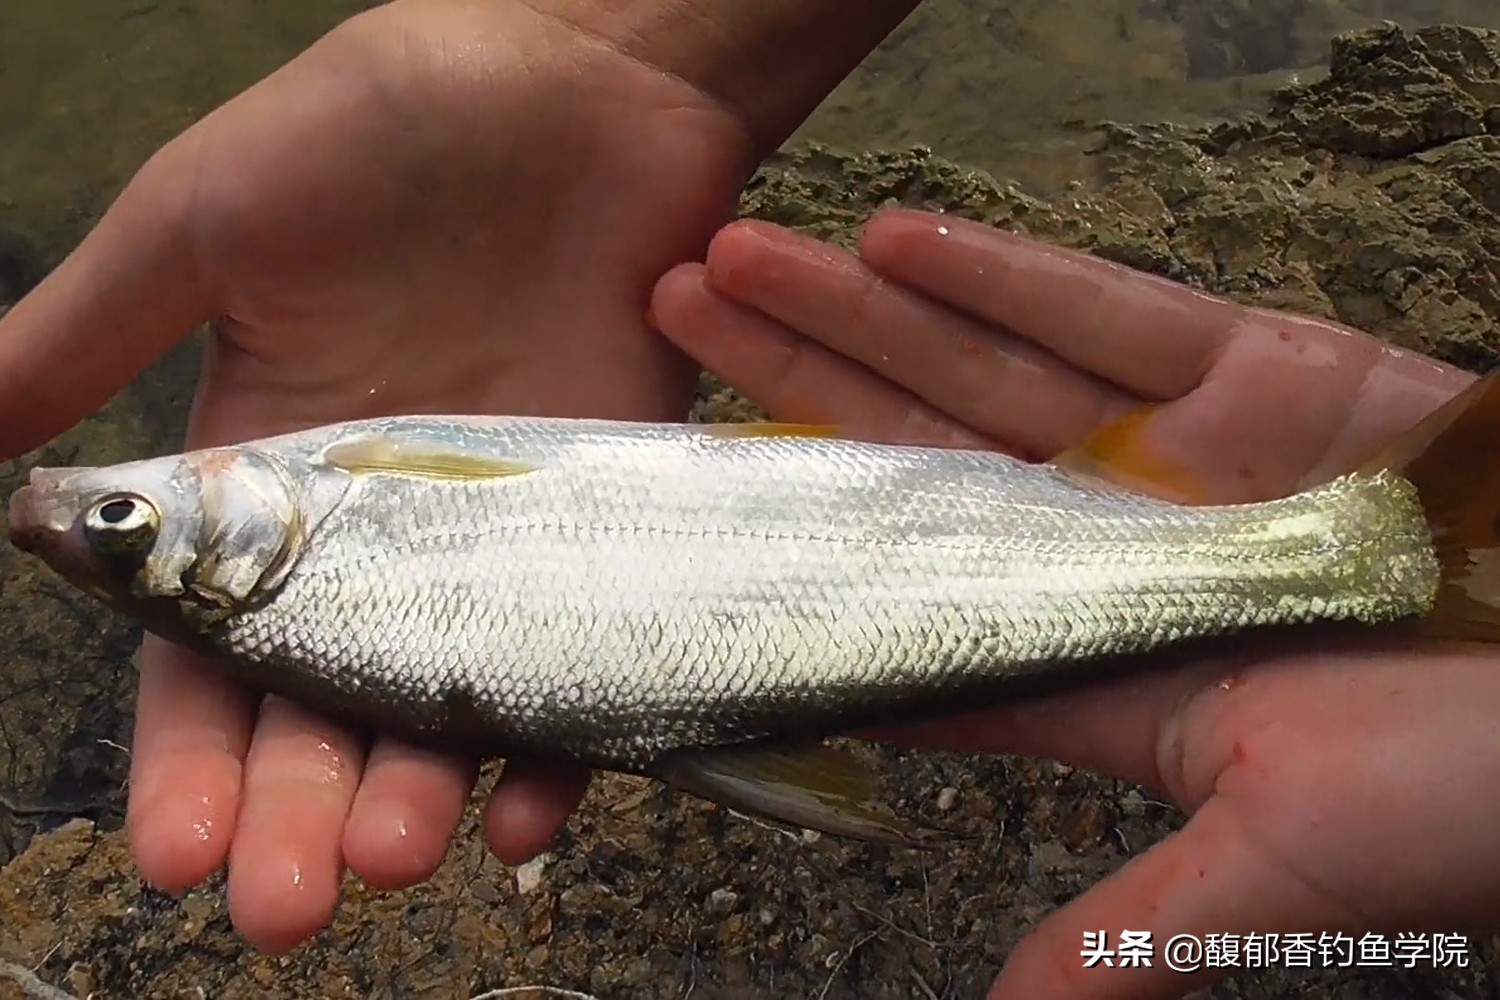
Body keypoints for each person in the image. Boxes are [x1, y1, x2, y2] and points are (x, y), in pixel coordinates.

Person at [0, 1, 1491, 998]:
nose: (91, 505)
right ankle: (1373, 565)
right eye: (120, 532)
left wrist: (635, 48)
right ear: (227, 557)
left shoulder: (325, 531)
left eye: (114, 526)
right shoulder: (335, 511)